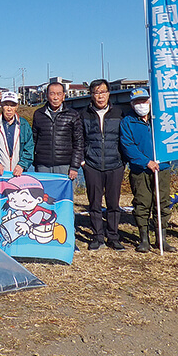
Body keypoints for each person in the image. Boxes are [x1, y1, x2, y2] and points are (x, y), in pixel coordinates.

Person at [119, 88, 175, 253]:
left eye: (144, 101)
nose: (141, 105)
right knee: (142, 203)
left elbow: (174, 137)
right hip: (140, 170)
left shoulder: (161, 118)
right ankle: (144, 239)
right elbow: (128, 146)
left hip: (162, 167)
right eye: (137, 102)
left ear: (150, 101)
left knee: (162, 203)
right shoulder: (127, 122)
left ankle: (161, 238)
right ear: (131, 104)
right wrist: (146, 162)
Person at [81, 79, 125, 251]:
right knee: (94, 203)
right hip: (92, 164)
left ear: (109, 93)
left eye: (103, 92)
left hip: (115, 164)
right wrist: (83, 161)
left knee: (113, 204)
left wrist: (123, 160)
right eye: (96, 92)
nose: (100, 96)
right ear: (91, 95)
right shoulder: (83, 114)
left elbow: (124, 138)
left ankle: (113, 236)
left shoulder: (119, 113)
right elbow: (80, 138)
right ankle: (97, 236)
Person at [31, 82, 83, 178]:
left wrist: (75, 166)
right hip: (43, 165)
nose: (55, 97)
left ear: (63, 96)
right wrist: (35, 161)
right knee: (43, 193)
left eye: (59, 94)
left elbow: (78, 143)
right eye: (52, 94)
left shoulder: (73, 115)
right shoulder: (38, 114)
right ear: (47, 96)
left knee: (65, 193)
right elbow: (33, 140)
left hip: (65, 166)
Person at [0, 91, 34, 177]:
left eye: (12, 105)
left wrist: (22, 165)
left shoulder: (24, 124)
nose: (9, 108)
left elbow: (29, 148)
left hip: (19, 174)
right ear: (1, 106)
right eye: (6, 105)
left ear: (17, 106)